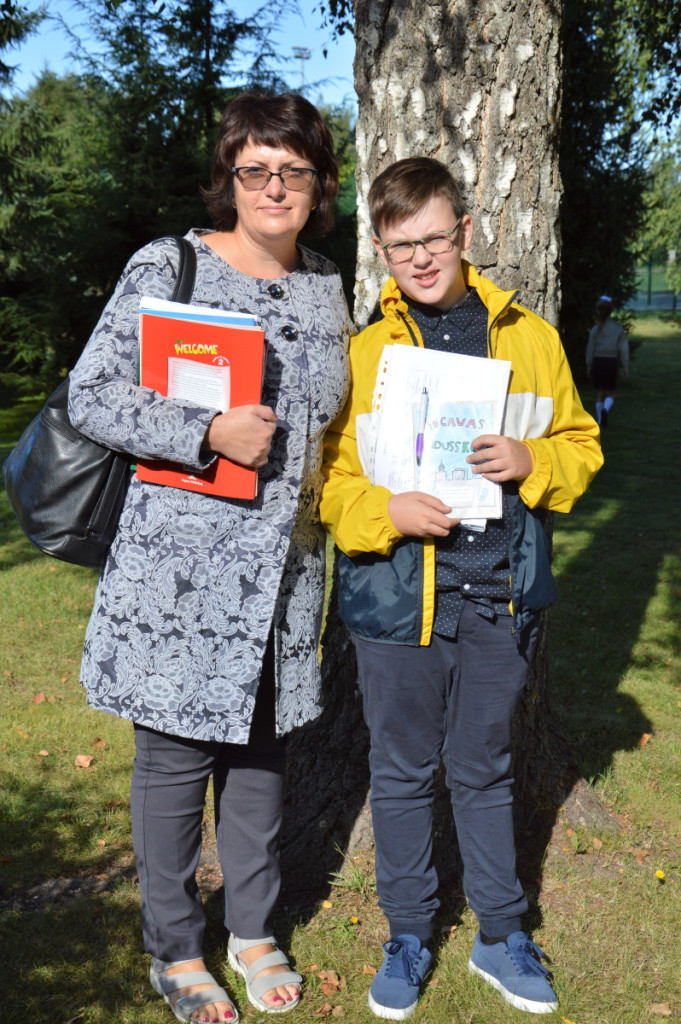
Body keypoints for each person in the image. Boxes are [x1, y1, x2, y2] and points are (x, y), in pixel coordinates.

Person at [68, 90, 351, 1023]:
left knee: (261, 761)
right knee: (172, 763)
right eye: (254, 169)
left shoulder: (327, 285)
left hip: (284, 578)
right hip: (180, 571)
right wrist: (205, 430)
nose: (274, 187)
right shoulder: (172, 263)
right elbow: (92, 393)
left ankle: (253, 930)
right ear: (229, 178)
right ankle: (177, 949)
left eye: (293, 170)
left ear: (319, 183)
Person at [320, 157, 603, 1019]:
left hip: (495, 600)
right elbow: (331, 483)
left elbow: (581, 445)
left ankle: (500, 934)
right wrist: (386, 511)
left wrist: (530, 459)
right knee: (402, 773)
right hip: (396, 601)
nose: (419, 258)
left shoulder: (529, 338)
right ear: (380, 250)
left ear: (465, 232)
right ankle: (408, 934)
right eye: (399, 245)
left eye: (433, 238)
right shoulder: (366, 351)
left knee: (483, 770)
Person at [586, 294, 629, 428]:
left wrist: (589, 365)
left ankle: (600, 420)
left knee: (601, 391)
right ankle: (605, 409)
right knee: (611, 391)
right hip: (611, 362)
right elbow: (623, 349)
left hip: (598, 361)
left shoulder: (596, 329)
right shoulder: (617, 329)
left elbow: (590, 348)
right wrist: (626, 367)